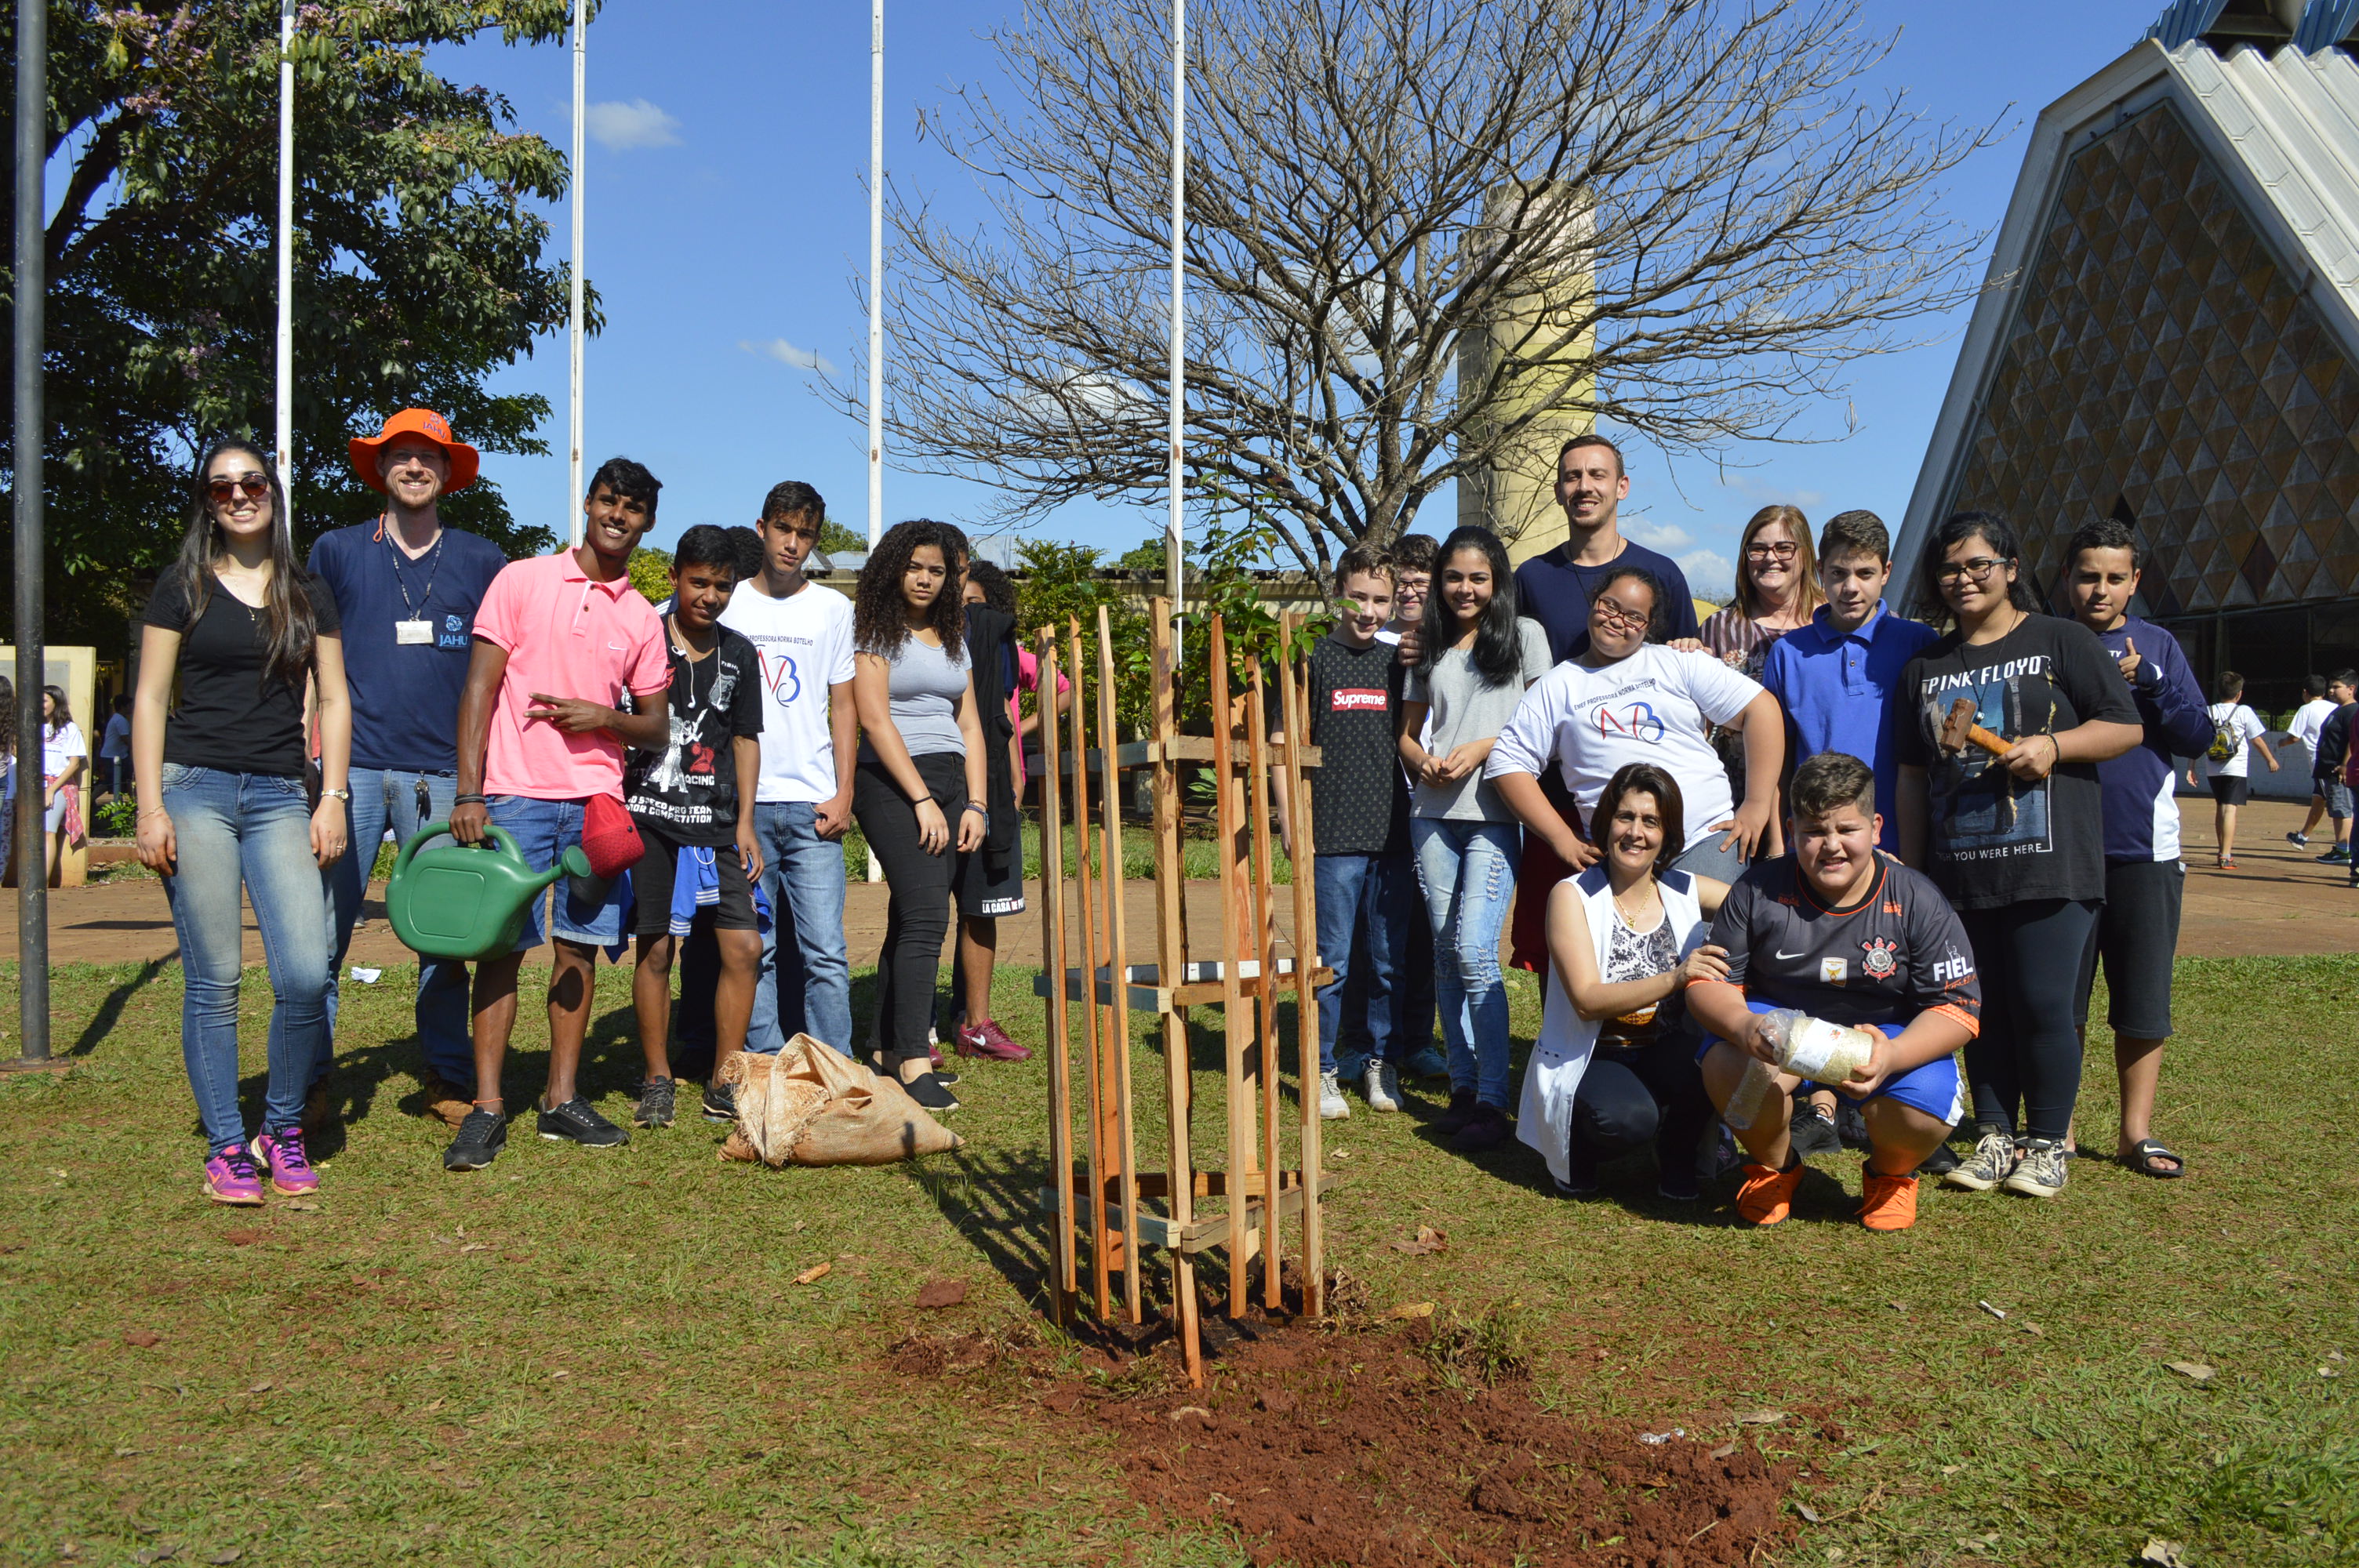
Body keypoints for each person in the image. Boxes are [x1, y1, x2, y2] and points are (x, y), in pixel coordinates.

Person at [1895, 510, 2141, 1201]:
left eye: (1978, 564)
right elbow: (1913, 775)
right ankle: (1996, 1133)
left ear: (2009, 568)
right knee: (1981, 1007)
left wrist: (2056, 747)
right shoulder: (1926, 667)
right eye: (1950, 568)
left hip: (2052, 862)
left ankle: (2045, 1143)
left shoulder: (2061, 640)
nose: (1964, 578)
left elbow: (2125, 725)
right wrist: (1915, 872)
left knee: (2041, 1003)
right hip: (1959, 869)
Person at [133, 441, 352, 1204]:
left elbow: (334, 699)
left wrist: (333, 796)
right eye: (221, 487)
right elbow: (151, 699)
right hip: (192, 790)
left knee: (301, 971)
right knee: (216, 978)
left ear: (272, 493)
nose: (238, 495)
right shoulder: (181, 586)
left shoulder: (306, 592)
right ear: (207, 503)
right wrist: (149, 805)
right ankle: (226, 1143)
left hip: (279, 795)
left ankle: (280, 1127)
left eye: (250, 481)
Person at [439, 459, 674, 1171]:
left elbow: (657, 727)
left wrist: (604, 716)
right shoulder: (522, 579)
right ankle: (486, 1108)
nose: (618, 516)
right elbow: (478, 689)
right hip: (513, 796)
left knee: (578, 948)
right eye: (609, 501)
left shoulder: (640, 616)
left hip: (596, 804)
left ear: (647, 523)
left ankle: (560, 1099)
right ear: (588, 502)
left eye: (633, 508)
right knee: (501, 950)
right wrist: (469, 792)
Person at [311, 407, 510, 1125]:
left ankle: (447, 1078)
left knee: (444, 939)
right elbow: (315, 662)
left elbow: (500, 675)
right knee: (324, 934)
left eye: (430, 456)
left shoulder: (484, 560)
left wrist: (478, 781)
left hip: (443, 778)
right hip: (353, 770)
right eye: (402, 455)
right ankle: (310, 1083)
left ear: (449, 472)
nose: (416, 466)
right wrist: (317, 770)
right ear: (381, 468)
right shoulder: (335, 551)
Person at [1688, 753, 1983, 1232]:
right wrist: (1745, 1027)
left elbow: (1957, 1008)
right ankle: (1776, 1168)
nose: (1831, 846)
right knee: (1727, 1063)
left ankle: (1891, 1177)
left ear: (1876, 828)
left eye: (1847, 830)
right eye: (1813, 832)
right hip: (1780, 1028)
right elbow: (1708, 981)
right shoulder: (1756, 889)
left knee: (1925, 1101)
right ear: (1792, 829)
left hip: (1883, 1034)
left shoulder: (1918, 898)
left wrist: (1894, 1055)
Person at [1756, 508, 1938, 1153]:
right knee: (1820, 969)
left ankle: (1905, 1101)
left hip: (1893, 844)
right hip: (1816, 847)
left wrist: (1913, 854)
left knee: (1901, 977)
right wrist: (1780, 841)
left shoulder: (1917, 644)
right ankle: (1821, 1099)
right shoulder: (1789, 652)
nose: (1851, 587)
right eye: (1838, 573)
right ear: (1818, 574)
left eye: (1865, 573)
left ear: (1887, 572)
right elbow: (1774, 757)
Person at [678, 483, 859, 1065]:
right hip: (743, 807)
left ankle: (836, 1069)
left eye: (805, 534)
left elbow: (846, 705)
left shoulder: (834, 609)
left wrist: (844, 790)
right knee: (757, 948)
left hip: (812, 805)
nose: (792, 543)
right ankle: (765, 1066)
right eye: (784, 529)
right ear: (761, 528)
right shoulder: (731, 601)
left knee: (826, 951)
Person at [2061, 518, 2212, 1181]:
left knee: (2143, 999)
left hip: (2143, 849)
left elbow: (2197, 734)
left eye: (2114, 577)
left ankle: (2135, 1134)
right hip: (2058, 846)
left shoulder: (2157, 644)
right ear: (2068, 578)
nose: (2100, 589)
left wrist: (2151, 680)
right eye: (2088, 575)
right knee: (2058, 999)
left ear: (2135, 582)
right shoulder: (2044, 641)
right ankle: (2053, 1130)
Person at [1397, 526, 1552, 1140]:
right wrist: (1422, 759)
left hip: (1495, 813)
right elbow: (1407, 734)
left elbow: (1541, 724)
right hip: (1432, 812)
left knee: (1473, 952)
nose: (1465, 589)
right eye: (1454, 577)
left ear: (1497, 581)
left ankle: (1492, 1096)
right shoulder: (1428, 643)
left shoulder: (1526, 637)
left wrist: (1484, 747)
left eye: (1478, 578)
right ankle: (1462, 1088)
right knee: (1442, 953)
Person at [1487, 566, 1784, 885]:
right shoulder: (1557, 685)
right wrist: (1561, 837)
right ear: (1594, 603)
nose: (1617, 620)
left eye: (1633, 616)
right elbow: (1507, 761)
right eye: (1610, 606)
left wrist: (1756, 804)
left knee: (1709, 935)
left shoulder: (1678, 661)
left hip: (1706, 838)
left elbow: (1762, 709)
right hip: (1621, 852)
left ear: (1649, 626)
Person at [1523, 763, 1732, 1201]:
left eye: (1651, 821)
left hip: (1659, 1047)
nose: (1636, 832)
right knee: (1627, 1120)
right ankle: (1580, 1148)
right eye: (1625, 817)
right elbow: (1586, 1000)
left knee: (1720, 1061)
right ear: (1606, 824)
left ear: (1667, 835)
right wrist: (1676, 977)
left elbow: (1755, 901)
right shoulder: (1572, 894)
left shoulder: (1683, 887)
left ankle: (1676, 1155)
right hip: (1592, 1052)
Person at [620, 527, 766, 1130]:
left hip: (719, 821)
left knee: (744, 945)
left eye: (722, 586)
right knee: (656, 948)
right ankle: (657, 1078)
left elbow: (745, 738)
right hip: (650, 819)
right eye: (699, 582)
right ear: (676, 577)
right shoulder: (644, 638)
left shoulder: (740, 652)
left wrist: (748, 823)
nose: (710, 595)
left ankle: (723, 1078)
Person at [1270, 546, 1417, 1125]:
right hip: (1330, 834)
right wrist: (1288, 819)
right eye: (1358, 596)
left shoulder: (1397, 664)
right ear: (1338, 592)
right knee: (1330, 961)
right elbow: (1282, 744)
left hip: (1392, 834)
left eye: (1381, 600)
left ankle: (1378, 1060)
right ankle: (1323, 1067)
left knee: (1386, 961)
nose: (1369, 609)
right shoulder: (1312, 659)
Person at [851, 518, 987, 1113]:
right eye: (915, 567)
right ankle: (912, 1059)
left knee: (911, 914)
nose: (927, 579)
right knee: (929, 917)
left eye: (937, 570)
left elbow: (971, 723)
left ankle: (884, 1046)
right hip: (890, 781)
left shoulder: (952, 636)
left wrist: (977, 802)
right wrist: (922, 800)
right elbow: (875, 720)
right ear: (892, 568)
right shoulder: (874, 632)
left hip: (953, 781)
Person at [947, 559, 1036, 1062]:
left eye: (973, 599)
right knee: (922, 911)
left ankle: (975, 1023)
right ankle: (909, 1029)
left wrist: (1013, 773)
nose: (963, 605)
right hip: (933, 779)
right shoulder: (903, 631)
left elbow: (1000, 709)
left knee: (983, 905)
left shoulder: (995, 637)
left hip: (988, 784)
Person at [1513, 434, 1701, 663]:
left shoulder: (1662, 573)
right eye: (1573, 477)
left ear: (1622, 487)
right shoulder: (1531, 577)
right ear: (1559, 492)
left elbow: (1687, 664)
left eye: (1597, 475)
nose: (1584, 487)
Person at [2197, 670, 2277, 870]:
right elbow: (2256, 739)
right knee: (2229, 809)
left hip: (2213, 765)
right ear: (2239, 693)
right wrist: (2270, 759)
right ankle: (2226, 855)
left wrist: (2191, 765)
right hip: (2236, 766)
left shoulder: (2208, 711)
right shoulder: (2244, 711)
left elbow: (2198, 738)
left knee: (2220, 808)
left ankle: (2221, 850)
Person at [2306, 670, 2359, 869]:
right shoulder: (2339, 710)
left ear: (2351, 689)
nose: (2331, 691)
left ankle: (2343, 849)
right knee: (2336, 808)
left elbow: (2352, 742)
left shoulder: (2352, 711)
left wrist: (2345, 764)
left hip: (2340, 771)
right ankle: (2341, 847)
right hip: (2327, 770)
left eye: (2336, 687)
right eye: (2331, 686)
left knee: (2342, 809)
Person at [37, 687, 87, 887]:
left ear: (56, 703)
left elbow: (74, 764)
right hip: (34, 785)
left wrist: (51, 789)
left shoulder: (69, 729)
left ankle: (41, 883)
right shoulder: (33, 726)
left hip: (58, 786)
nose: (41, 705)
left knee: (48, 832)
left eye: (45, 701)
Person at [96, 695, 133, 797]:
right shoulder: (121, 720)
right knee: (109, 782)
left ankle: (131, 802)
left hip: (118, 755)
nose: (131, 707)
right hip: (113, 756)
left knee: (126, 779)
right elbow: (126, 739)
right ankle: (91, 799)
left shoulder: (117, 718)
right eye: (129, 705)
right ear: (123, 706)